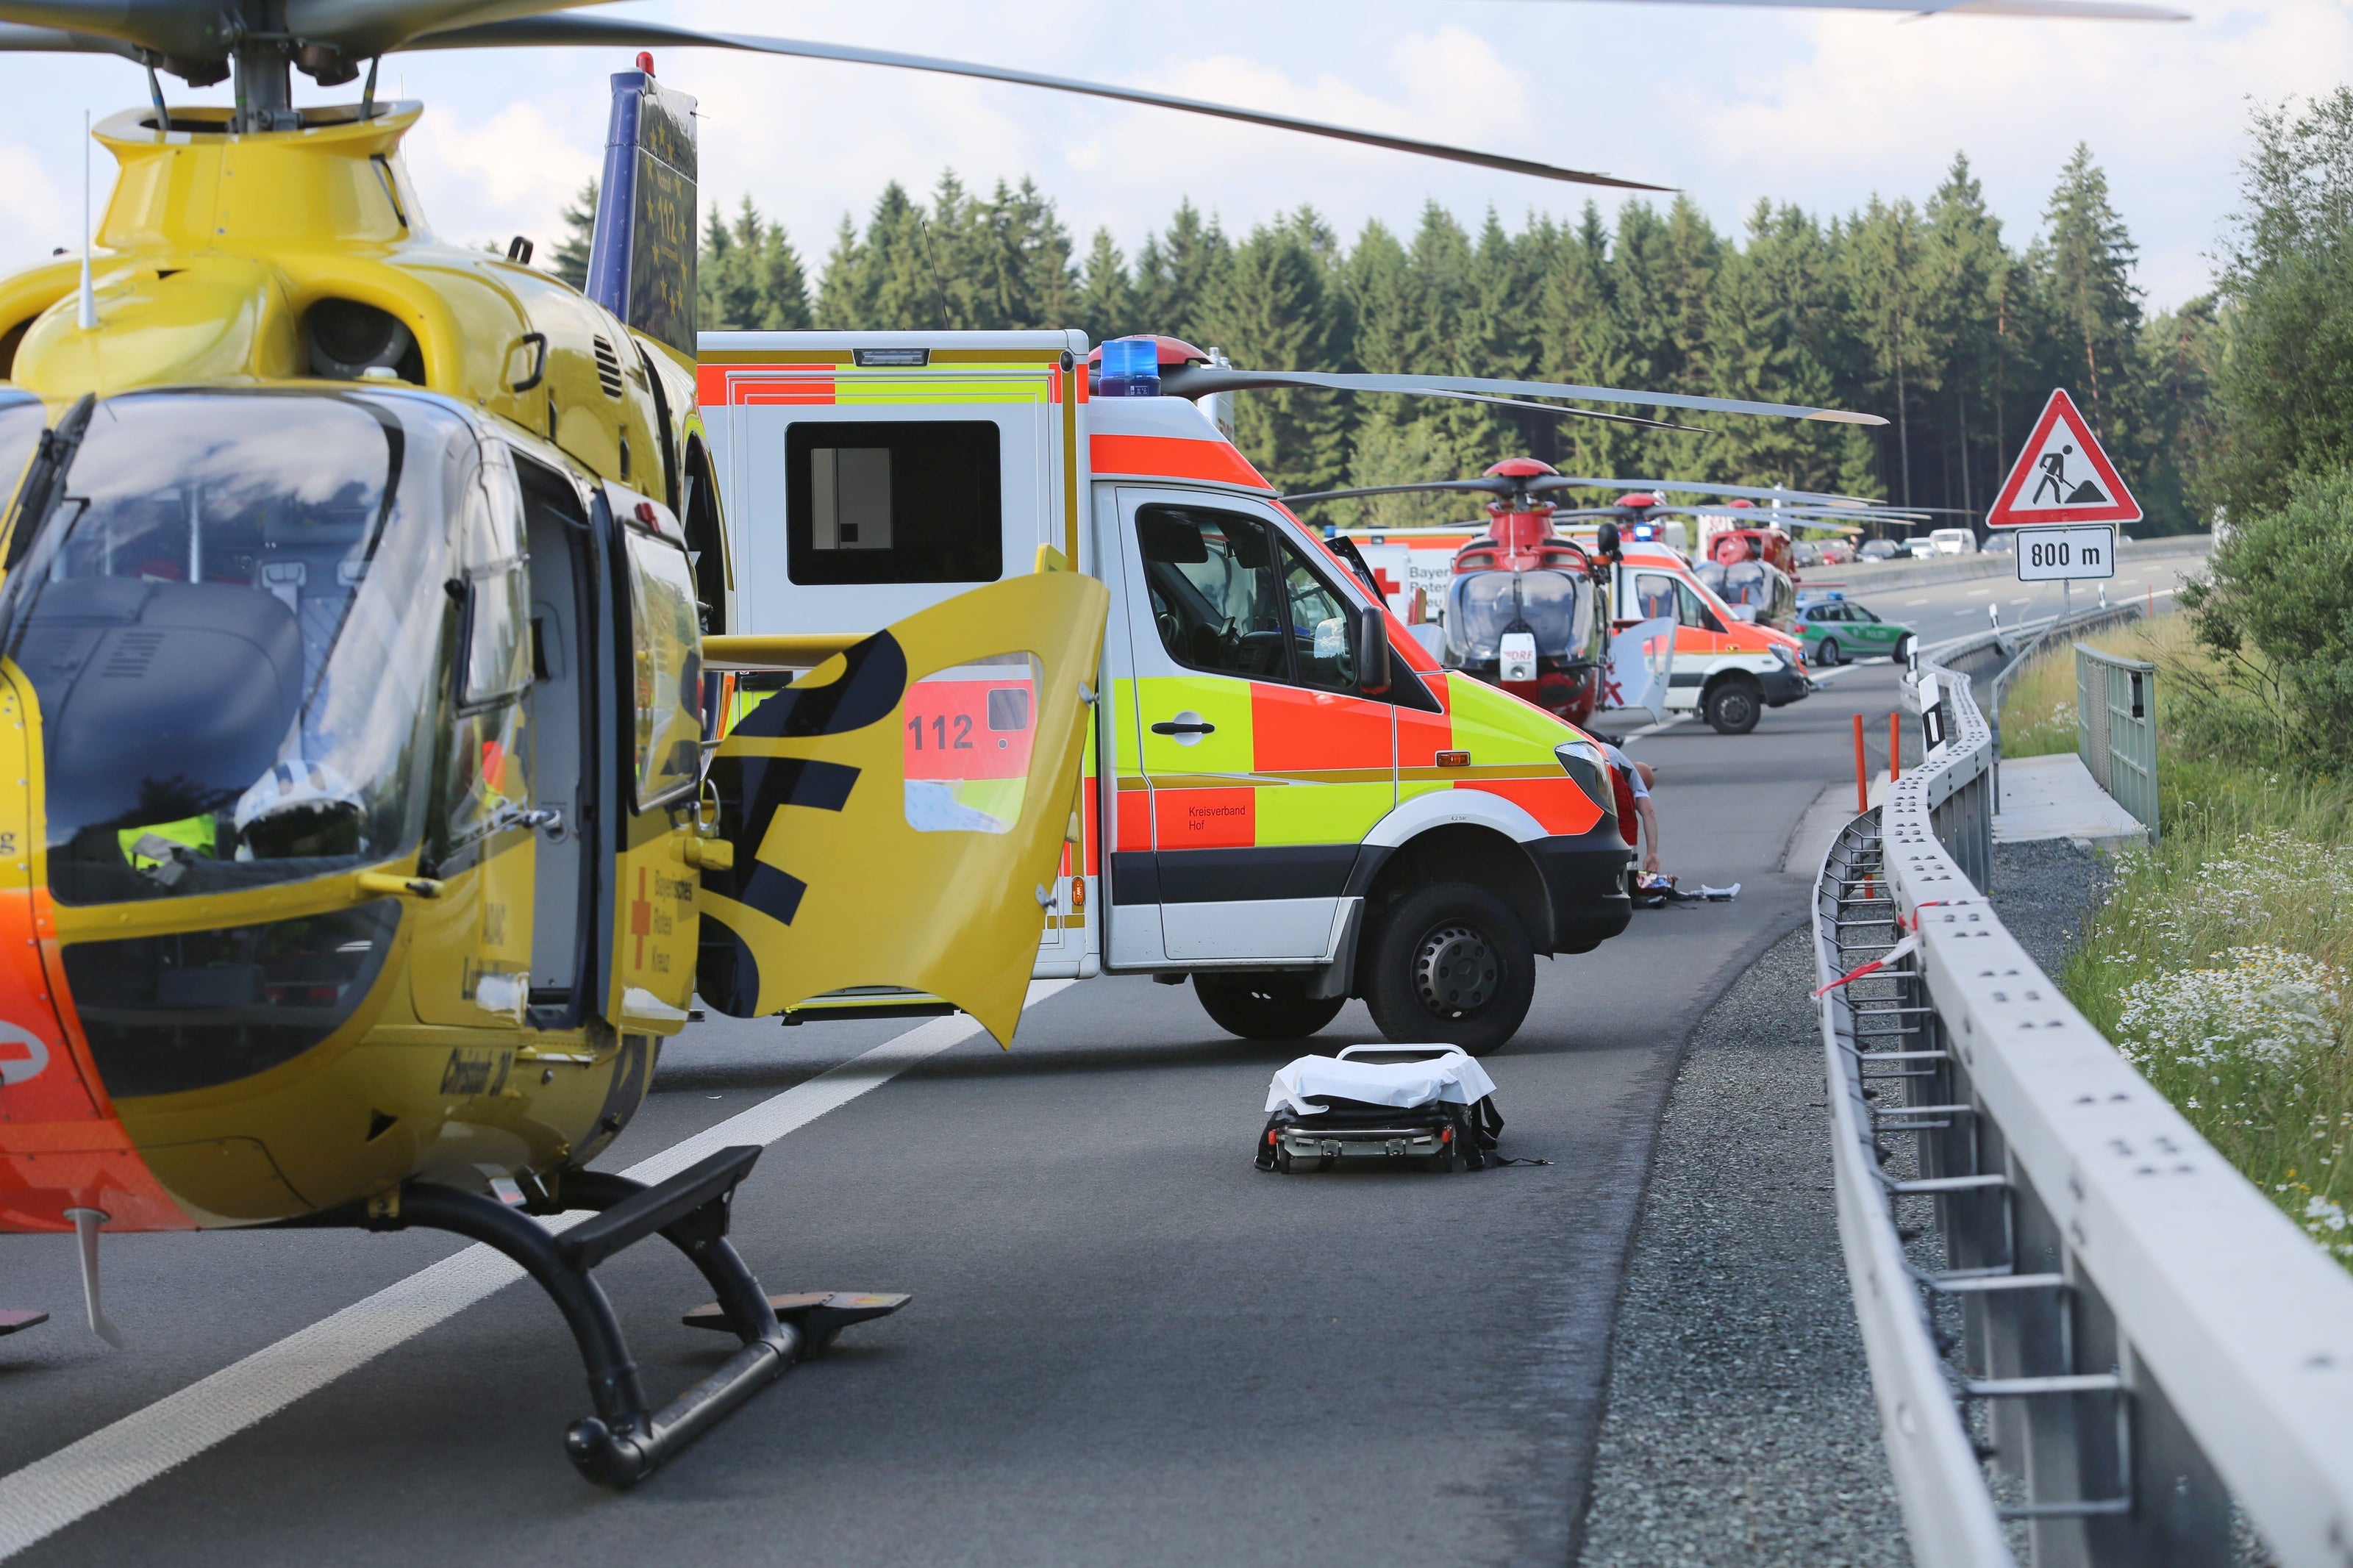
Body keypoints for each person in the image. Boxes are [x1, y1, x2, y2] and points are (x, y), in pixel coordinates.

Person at [1600, 740, 1661, 881]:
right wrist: (1652, 852)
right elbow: (1649, 813)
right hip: (1607, 767)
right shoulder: (1635, 779)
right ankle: (1629, 879)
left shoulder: (1621, 758)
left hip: (1581, 760)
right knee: (1628, 822)